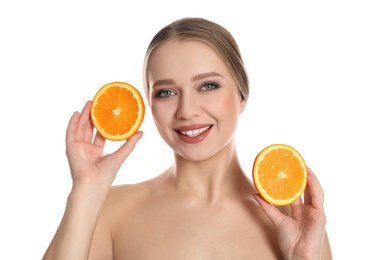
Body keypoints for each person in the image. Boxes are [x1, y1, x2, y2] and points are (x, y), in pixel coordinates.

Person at [43, 18, 332, 259]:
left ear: (242, 95)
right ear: (149, 104)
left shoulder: (290, 220)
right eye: (166, 92)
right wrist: (87, 189)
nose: (187, 110)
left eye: (208, 85)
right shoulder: (110, 210)